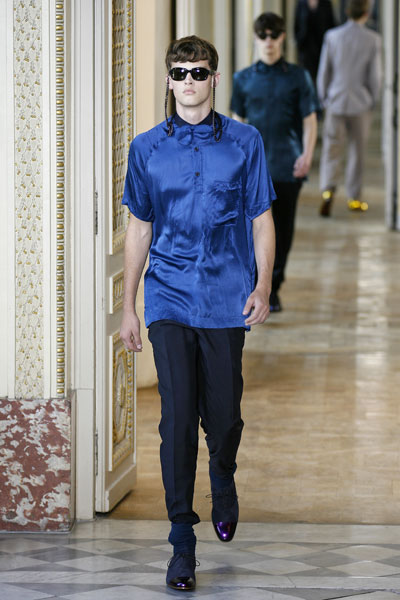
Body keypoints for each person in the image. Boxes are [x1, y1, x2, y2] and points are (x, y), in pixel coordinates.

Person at [120, 35, 276, 591]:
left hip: (227, 297)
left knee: (225, 416)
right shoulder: (145, 148)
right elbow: (139, 228)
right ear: (169, 80)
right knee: (178, 420)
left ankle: (223, 474)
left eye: (200, 71)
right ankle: (182, 543)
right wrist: (128, 306)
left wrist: (263, 285)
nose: (190, 80)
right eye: (181, 72)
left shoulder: (245, 142)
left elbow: (261, 218)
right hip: (168, 297)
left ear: (214, 78)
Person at [231, 12, 318, 313]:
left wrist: (307, 155)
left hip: (286, 165)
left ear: (282, 37)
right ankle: (254, 285)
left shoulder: (298, 77)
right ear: (256, 38)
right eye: (263, 35)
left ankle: (273, 287)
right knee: (249, 229)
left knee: (282, 229)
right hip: (251, 168)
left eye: (273, 35)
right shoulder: (242, 79)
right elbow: (237, 122)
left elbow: (309, 120)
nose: (268, 41)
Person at [317, 0, 382, 217]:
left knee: (331, 147)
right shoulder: (373, 39)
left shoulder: (332, 36)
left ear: (346, 12)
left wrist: (324, 97)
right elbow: (375, 75)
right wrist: (373, 98)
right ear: (367, 13)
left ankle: (328, 190)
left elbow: (324, 70)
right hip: (360, 102)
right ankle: (354, 198)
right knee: (357, 150)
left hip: (335, 99)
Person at [295, 0, 336, 83]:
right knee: (307, 80)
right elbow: (296, 26)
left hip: (322, 48)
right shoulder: (301, 3)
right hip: (306, 51)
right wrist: (299, 43)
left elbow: (332, 25)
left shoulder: (326, 3)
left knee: (323, 78)